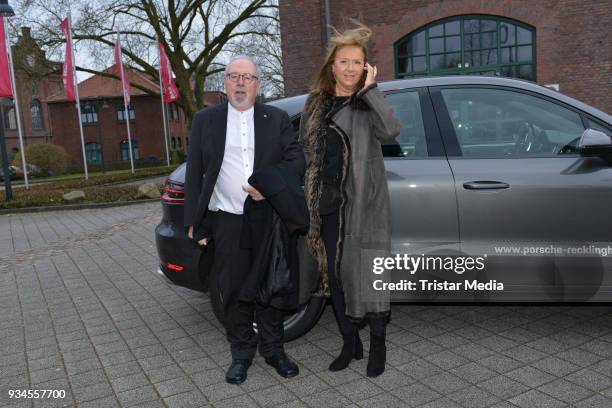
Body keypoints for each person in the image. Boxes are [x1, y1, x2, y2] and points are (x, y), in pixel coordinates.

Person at [183, 55, 305, 385]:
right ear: (225, 83)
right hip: (226, 220)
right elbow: (194, 173)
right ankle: (241, 354)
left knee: (270, 287)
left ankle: (274, 350)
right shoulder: (205, 120)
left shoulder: (276, 118)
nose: (240, 82)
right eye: (234, 76)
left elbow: (296, 161)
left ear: (257, 84)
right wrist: (195, 223)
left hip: (268, 218)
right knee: (233, 290)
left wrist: (268, 187)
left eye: (247, 77)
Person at [299, 26, 401, 377]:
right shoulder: (315, 104)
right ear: (332, 65)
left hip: (365, 206)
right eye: (343, 61)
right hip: (328, 207)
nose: (349, 68)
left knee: (371, 276)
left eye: (357, 62)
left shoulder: (368, 102)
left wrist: (372, 92)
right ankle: (349, 342)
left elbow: (391, 131)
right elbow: (306, 153)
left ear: (365, 67)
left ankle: (378, 345)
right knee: (337, 278)